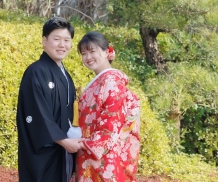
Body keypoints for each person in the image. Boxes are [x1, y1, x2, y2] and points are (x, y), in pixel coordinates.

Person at [17, 17, 85, 182]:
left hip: (62, 151)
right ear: (44, 40)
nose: (62, 45)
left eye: (66, 40)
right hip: (43, 151)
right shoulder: (36, 72)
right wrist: (63, 141)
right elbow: (38, 113)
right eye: (57, 39)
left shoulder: (65, 75)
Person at [76, 31, 141, 182]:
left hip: (104, 154)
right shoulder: (102, 79)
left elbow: (112, 119)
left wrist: (89, 144)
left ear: (106, 52)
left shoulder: (112, 80)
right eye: (84, 53)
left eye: (93, 51)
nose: (88, 57)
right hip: (91, 149)